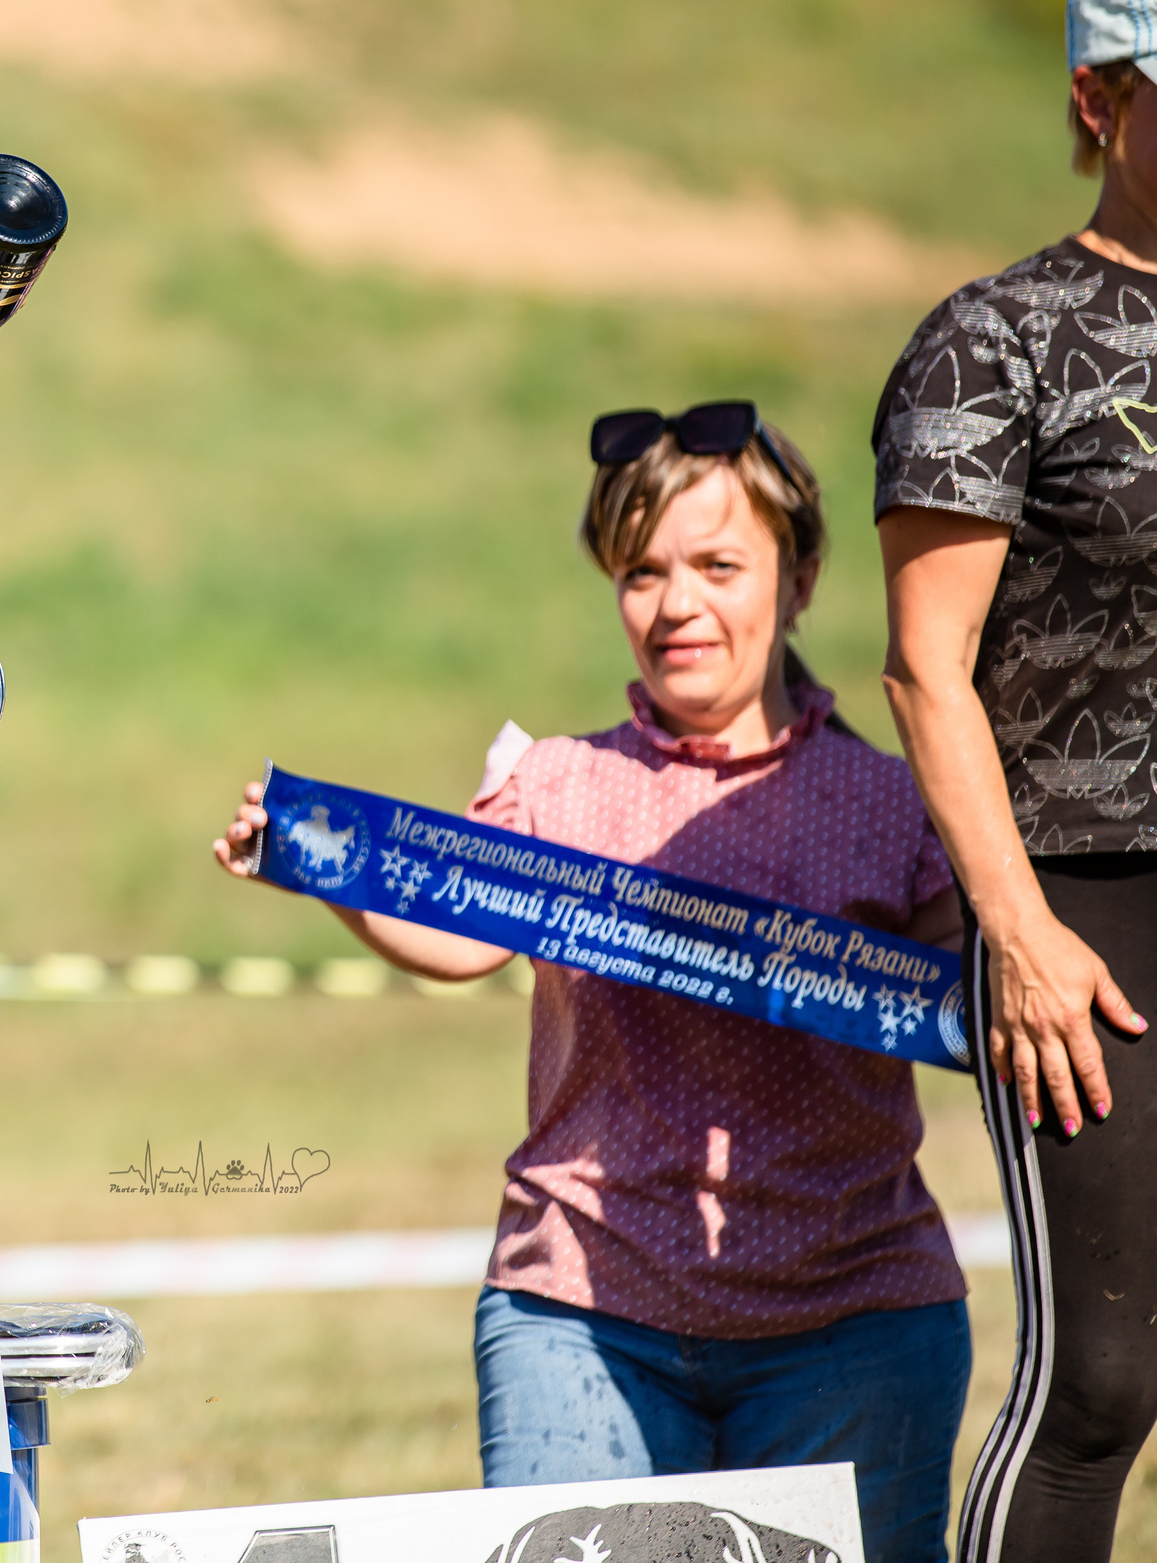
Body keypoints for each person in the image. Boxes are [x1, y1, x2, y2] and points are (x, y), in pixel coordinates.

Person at [215, 405, 969, 1563]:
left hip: (855, 1324)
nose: (676, 607)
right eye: (641, 572)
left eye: (718, 566)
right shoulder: (555, 785)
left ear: (801, 575)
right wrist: (320, 865)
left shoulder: (895, 805)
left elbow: (957, 985)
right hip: (579, 1314)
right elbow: (461, 942)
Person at [874, 0, 1157, 1563]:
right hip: (1084, 906)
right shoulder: (995, 342)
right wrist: (1024, 936)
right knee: (1102, 1377)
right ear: (1101, 101)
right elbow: (928, 665)